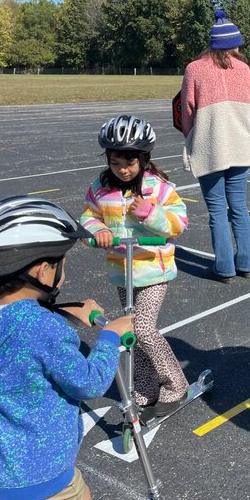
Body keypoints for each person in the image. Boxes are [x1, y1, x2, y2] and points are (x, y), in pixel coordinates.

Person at [0, 196, 134, 500]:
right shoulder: (42, 329)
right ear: (42, 271)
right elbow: (88, 382)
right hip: (41, 474)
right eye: (60, 262)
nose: (64, 270)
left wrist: (60, 312)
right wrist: (110, 338)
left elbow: (14, 330)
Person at [80, 115, 189, 419]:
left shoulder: (158, 188)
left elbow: (179, 223)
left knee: (142, 328)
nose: (123, 170)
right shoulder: (101, 188)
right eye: (116, 163)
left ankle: (175, 383)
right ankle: (146, 384)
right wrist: (96, 230)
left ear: (143, 159)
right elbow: (88, 216)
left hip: (153, 270)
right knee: (132, 333)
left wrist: (150, 214)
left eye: (129, 163)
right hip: (122, 271)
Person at [181, 9, 250, 284]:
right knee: (239, 207)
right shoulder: (244, 70)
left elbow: (187, 110)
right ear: (232, 44)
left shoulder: (194, 69)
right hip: (239, 145)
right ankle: (246, 263)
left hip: (210, 146)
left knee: (217, 210)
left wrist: (190, 139)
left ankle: (224, 268)